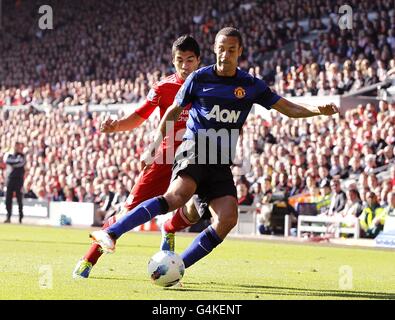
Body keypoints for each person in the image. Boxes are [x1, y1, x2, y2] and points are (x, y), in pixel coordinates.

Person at [90, 27, 338, 272]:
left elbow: (289, 108)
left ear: (239, 51)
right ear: (214, 50)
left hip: (220, 161)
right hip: (194, 148)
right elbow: (172, 112)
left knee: (227, 218)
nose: (225, 55)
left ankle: (175, 269)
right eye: (221, 49)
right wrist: (154, 146)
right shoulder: (199, 78)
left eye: (231, 50)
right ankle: (111, 232)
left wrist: (317, 110)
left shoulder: (250, 85)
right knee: (179, 195)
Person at [73, 35, 203, 278]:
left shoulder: (209, 84)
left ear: (198, 61)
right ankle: (88, 259)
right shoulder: (164, 87)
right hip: (165, 157)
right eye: (179, 60)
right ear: (173, 62)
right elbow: (139, 116)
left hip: (199, 157)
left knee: (198, 209)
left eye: (190, 60)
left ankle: (169, 227)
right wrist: (117, 125)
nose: (185, 65)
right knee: (127, 212)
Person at [3, 142, 26, 224]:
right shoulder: (8, 155)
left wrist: (13, 162)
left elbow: (20, 162)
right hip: (10, 179)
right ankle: (8, 216)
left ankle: (20, 217)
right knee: (8, 199)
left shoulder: (21, 155)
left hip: (19, 179)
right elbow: (6, 161)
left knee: (19, 199)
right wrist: (14, 162)